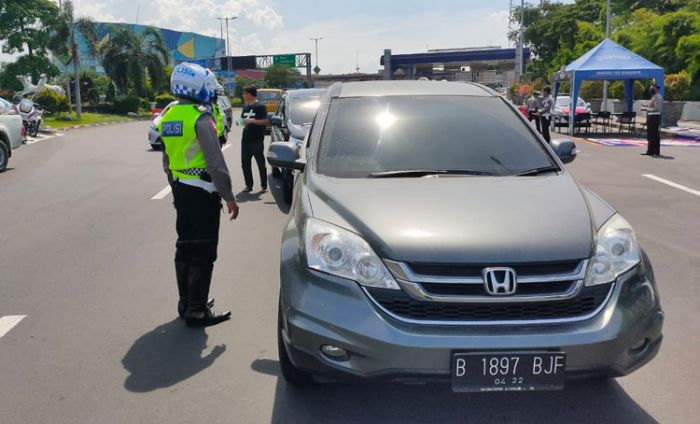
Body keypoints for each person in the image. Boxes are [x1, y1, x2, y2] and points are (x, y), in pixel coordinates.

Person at [160, 62, 240, 327]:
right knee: (204, 250)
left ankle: (186, 303)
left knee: (184, 247)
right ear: (200, 88)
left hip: (181, 188)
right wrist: (228, 194)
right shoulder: (201, 116)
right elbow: (215, 160)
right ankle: (197, 310)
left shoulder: (169, 114)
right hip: (203, 190)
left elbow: (166, 158)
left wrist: (175, 186)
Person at [238, 86, 269, 192]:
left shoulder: (260, 107)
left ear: (250, 94)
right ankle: (249, 185)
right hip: (245, 140)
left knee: (260, 163)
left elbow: (265, 122)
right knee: (245, 164)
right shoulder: (245, 107)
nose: (243, 96)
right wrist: (239, 122)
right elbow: (242, 120)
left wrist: (252, 121)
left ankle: (264, 185)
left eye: (244, 93)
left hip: (257, 140)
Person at [642, 84, 663, 157]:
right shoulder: (653, 97)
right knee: (650, 135)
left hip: (655, 117)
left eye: (652, 88)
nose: (651, 90)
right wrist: (646, 106)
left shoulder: (658, 97)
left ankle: (655, 151)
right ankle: (650, 151)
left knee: (654, 134)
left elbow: (657, 108)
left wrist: (647, 109)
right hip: (651, 116)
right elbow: (652, 106)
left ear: (656, 89)